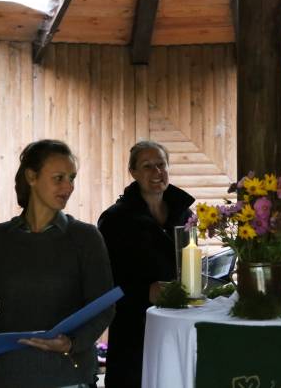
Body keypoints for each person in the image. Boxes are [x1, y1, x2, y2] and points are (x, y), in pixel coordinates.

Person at [0, 139, 114, 388]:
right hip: (11, 375)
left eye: (72, 178)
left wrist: (73, 342)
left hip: (69, 376)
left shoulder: (86, 237)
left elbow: (103, 307)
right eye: (59, 178)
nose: (68, 187)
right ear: (31, 177)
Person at [98, 140, 195, 388]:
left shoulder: (184, 214)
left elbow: (189, 260)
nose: (157, 172)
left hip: (177, 322)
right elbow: (105, 281)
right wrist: (145, 292)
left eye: (161, 164)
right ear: (133, 172)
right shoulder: (114, 220)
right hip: (133, 327)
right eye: (147, 166)